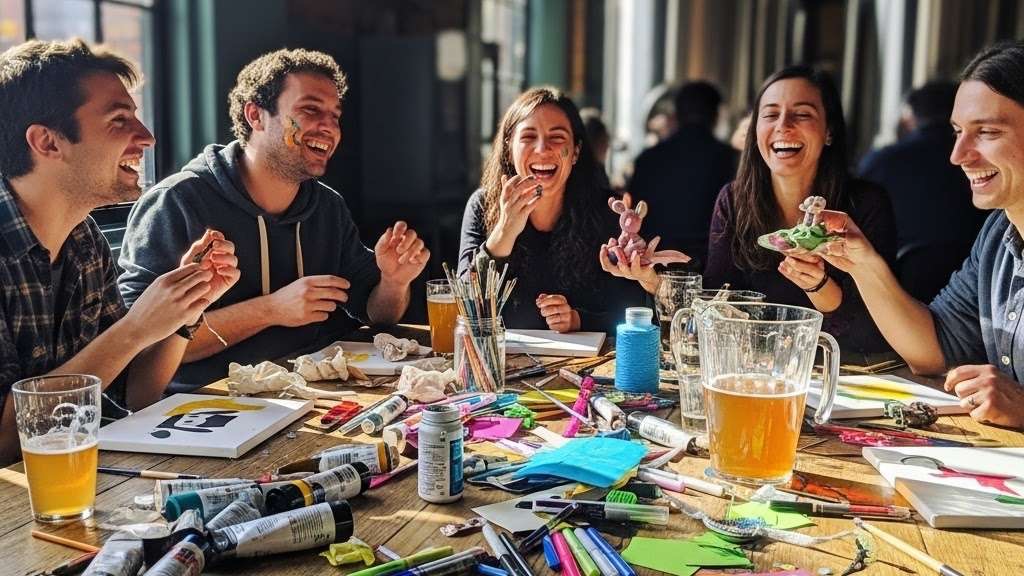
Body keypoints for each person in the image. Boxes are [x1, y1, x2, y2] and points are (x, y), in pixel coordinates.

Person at [118, 48, 428, 392]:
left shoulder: (327, 207)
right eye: (310, 110)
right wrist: (272, 309)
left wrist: (394, 282)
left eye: (335, 115)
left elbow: (376, 313)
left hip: (315, 395)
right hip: (210, 409)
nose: (329, 127)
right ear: (256, 115)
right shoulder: (176, 203)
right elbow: (138, 348)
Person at [0, 39, 239, 463]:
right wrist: (134, 329)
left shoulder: (84, 241)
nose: (146, 137)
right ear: (48, 142)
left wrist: (182, 311)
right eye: (118, 120)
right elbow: (4, 442)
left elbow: (134, 394)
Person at [609, 66, 896, 357]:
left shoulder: (865, 205)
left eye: (803, 114)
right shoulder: (734, 200)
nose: (784, 125)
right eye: (770, 114)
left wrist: (820, 285)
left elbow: (876, 338)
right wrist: (650, 277)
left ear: (829, 131)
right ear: (755, 129)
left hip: (839, 383)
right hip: (750, 379)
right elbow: (714, 313)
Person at [823, 41, 1024, 429]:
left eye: (986, 132)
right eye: (958, 132)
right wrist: (862, 263)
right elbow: (932, 351)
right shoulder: (999, 233)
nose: (958, 154)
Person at [458, 87, 643, 333]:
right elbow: (464, 308)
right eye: (528, 137)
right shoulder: (482, 205)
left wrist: (579, 320)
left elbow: (636, 313)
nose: (542, 148)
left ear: (575, 152)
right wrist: (504, 231)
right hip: (504, 364)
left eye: (557, 137)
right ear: (508, 147)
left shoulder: (609, 211)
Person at [858, 81, 989, 302]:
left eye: (988, 131)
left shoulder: (882, 161)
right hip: (978, 290)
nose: (958, 157)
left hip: (903, 288)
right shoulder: (980, 161)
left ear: (909, 118)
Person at [628, 81, 737, 268]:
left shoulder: (647, 159)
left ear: (675, 115)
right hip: (715, 266)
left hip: (655, 263)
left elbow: (636, 217)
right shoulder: (731, 159)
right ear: (716, 116)